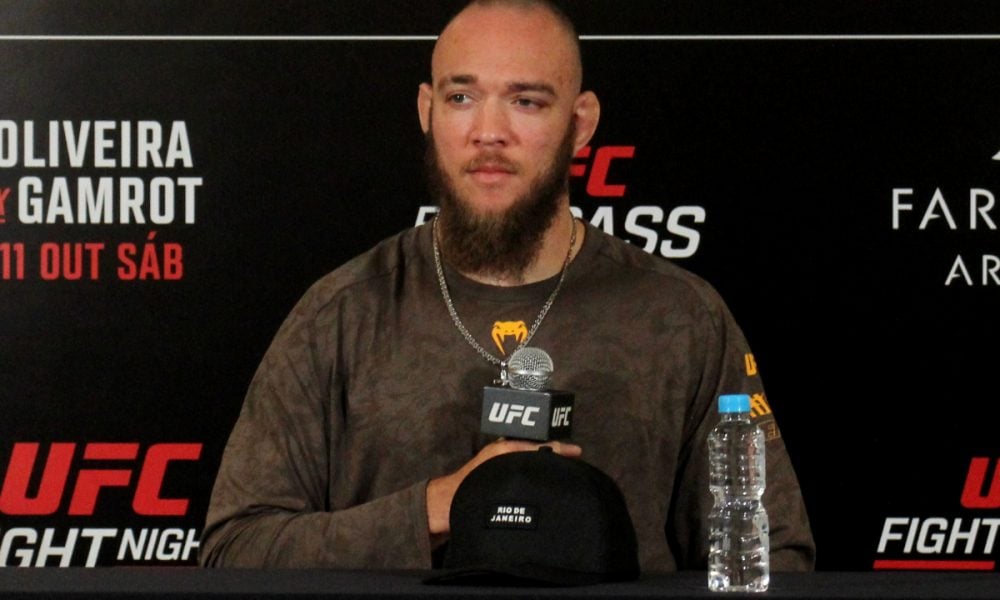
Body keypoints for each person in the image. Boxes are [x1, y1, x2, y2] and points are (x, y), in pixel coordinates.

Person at [199, 0, 816, 571]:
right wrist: (440, 506)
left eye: (526, 101)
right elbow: (236, 550)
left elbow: (773, 552)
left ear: (580, 124)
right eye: (462, 96)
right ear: (426, 111)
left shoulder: (680, 317)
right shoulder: (341, 314)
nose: (487, 131)